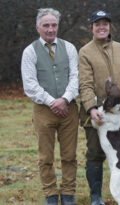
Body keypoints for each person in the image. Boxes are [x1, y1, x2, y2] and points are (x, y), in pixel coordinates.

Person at [78, 10, 120, 205]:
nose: (102, 27)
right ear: (92, 28)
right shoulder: (85, 52)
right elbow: (85, 84)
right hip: (98, 114)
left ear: (109, 27)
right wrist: (91, 107)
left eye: (105, 24)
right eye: (97, 24)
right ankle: (96, 197)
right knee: (95, 154)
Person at [21, 8, 79, 205]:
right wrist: (52, 102)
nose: (50, 29)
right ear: (38, 27)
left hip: (69, 109)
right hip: (43, 111)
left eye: (54, 25)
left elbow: (75, 77)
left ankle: (69, 194)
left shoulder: (69, 48)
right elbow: (30, 84)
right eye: (46, 25)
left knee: (69, 155)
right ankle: (51, 195)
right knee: (45, 157)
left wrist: (64, 99)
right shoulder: (30, 51)